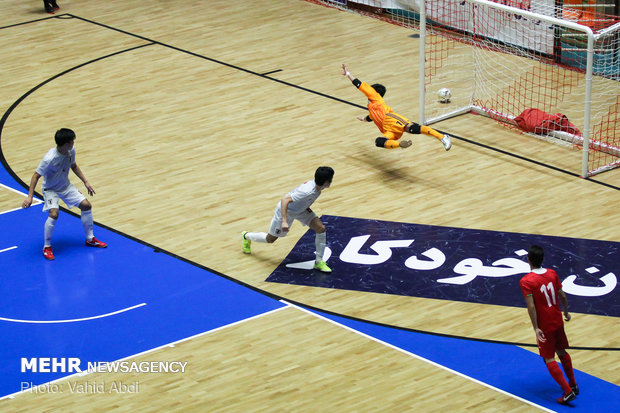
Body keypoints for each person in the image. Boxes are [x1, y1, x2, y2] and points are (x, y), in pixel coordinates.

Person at [22, 128, 107, 260]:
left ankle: (90, 239)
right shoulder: (49, 158)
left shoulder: (70, 151)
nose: (73, 143)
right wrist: (30, 196)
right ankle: (47, 246)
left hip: (65, 186)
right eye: (71, 141)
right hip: (50, 189)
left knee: (86, 205)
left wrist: (86, 182)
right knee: (54, 214)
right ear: (65, 144)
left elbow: (74, 166)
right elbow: (35, 176)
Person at [242, 166, 334, 273]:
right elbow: (284, 200)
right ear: (326, 181)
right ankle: (246, 236)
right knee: (270, 239)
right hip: (286, 211)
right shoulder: (307, 191)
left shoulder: (318, 187)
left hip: (301, 210)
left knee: (321, 229)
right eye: (331, 179)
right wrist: (285, 221)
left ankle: (318, 262)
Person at [341, 63, 451, 151]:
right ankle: (400, 145)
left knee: (411, 128)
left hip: (390, 119)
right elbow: (371, 117)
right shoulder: (372, 107)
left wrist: (348, 74)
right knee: (379, 141)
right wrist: (363, 119)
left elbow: (358, 84)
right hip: (387, 130)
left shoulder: (375, 96)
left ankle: (442, 137)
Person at [520, 245, 578, 405]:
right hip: (557, 318)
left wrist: (535, 327)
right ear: (542, 259)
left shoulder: (526, 281)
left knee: (548, 358)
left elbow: (531, 306)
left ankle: (568, 392)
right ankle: (573, 384)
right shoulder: (552, 273)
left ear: (528, 260)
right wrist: (566, 312)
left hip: (545, 323)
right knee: (561, 351)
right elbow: (563, 295)